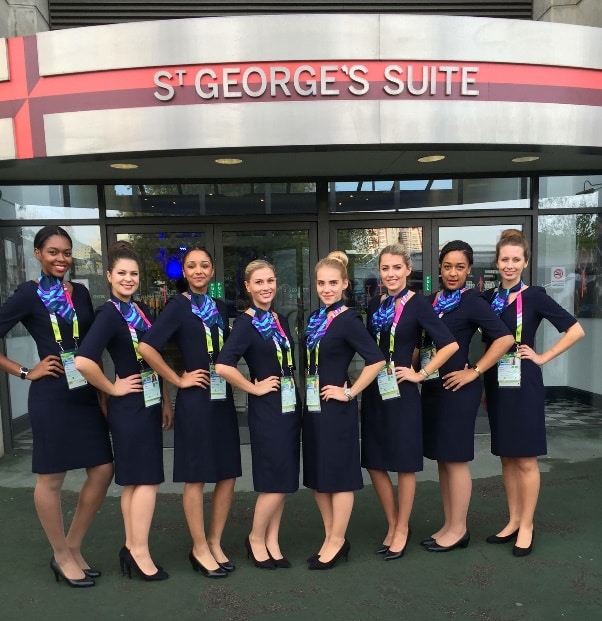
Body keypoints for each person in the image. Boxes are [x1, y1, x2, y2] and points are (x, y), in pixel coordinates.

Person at [0, 225, 113, 588]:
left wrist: (104, 392)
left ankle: (73, 545)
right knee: (51, 478)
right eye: (53, 252)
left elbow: (93, 344)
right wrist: (23, 371)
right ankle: (61, 555)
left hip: (84, 394)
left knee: (103, 470)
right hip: (51, 395)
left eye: (66, 252)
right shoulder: (28, 294)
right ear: (37, 254)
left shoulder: (80, 293)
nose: (61, 259)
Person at [138, 248, 241, 579]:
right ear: (184, 270)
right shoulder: (177, 306)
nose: (198, 271)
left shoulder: (221, 308)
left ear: (212, 271)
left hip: (222, 398)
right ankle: (198, 547)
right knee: (196, 475)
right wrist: (178, 378)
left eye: (205, 265)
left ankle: (215, 541)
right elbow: (147, 347)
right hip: (195, 400)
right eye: (192, 266)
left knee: (227, 473)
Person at [75, 241, 173, 581]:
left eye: (133, 274)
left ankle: (132, 547)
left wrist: (165, 398)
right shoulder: (108, 315)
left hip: (147, 402)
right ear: (108, 277)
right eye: (122, 274)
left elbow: (150, 357)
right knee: (145, 481)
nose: (129, 279)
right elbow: (84, 361)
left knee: (135, 483)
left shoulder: (140, 311)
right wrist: (112, 387)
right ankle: (139, 552)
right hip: (128, 406)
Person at [482, 229, 584, 557]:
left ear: (525, 262)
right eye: (504, 260)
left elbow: (575, 330)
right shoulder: (489, 299)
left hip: (523, 382)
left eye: (515, 259)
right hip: (497, 382)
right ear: (496, 263)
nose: (509, 265)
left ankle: (527, 524)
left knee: (525, 458)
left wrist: (541, 357)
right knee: (507, 457)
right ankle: (512, 520)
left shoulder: (535, 296)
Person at [362, 244, 458, 560]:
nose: (390, 274)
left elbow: (450, 345)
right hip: (375, 390)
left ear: (407, 270)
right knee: (374, 462)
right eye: (385, 268)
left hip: (402, 392)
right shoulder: (374, 304)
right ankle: (392, 522)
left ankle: (402, 528)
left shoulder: (418, 305)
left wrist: (422, 373)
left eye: (396, 268)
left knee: (403, 464)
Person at [421, 240, 514, 552]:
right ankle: (449, 523)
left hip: (459, 390)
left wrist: (474, 370)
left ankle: (459, 529)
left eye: (460, 267)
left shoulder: (472, 301)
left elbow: (504, 339)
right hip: (434, 388)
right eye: (447, 266)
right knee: (444, 461)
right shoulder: (431, 301)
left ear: (469, 270)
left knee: (457, 459)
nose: (453, 273)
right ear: (439, 268)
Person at [215, 260, 301, 570]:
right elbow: (223, 366)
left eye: (270, 280)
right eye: (259, 282)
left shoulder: (277, 319)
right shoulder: (246, 323)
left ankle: (272, 540)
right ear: (248, 287)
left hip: (289, 406)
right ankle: (255, 538)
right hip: (268, 411)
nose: (266, 287)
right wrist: (254, 389)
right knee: (275, 480)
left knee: (285, 478)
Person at [302, 253, 385, 570]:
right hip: (313, 407)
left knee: (338, 477)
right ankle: (331, 536)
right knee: (318, 478)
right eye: (321, 283)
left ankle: (337, 541)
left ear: (345, 284)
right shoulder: (315, 318)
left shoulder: (349, 320)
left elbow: (376, 360)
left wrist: (349, 392)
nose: (326, 288)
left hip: (336, 409)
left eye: (333, 283)